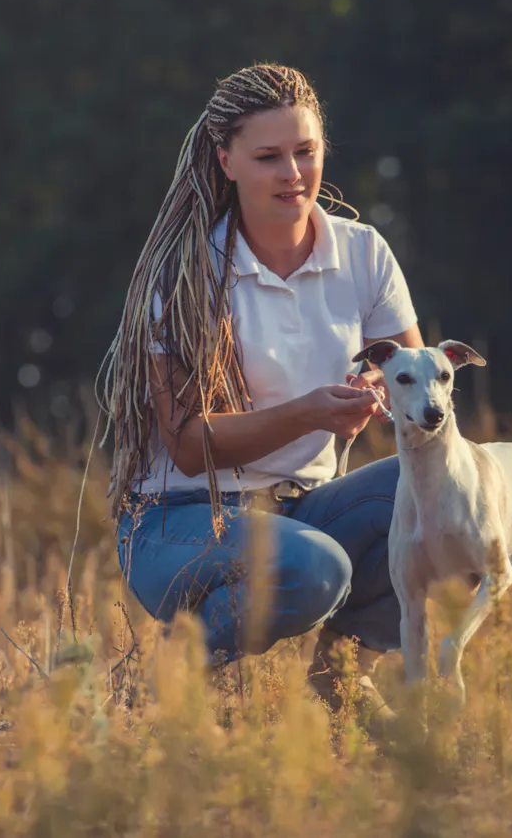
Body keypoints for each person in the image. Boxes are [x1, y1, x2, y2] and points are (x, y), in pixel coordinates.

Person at [97, 63, 423, 732]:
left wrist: (376, 389)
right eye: (269, 157)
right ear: (226, 161)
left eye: (306, 151)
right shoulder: (186, 272)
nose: (293, 173)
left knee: (446, 489)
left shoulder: (364, 252)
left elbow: (418, 381)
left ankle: (343, 676)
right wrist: (310, 412)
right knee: (314, 566)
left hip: (306, 507)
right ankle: (167, 680)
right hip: (180, 519)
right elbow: (189, 446)